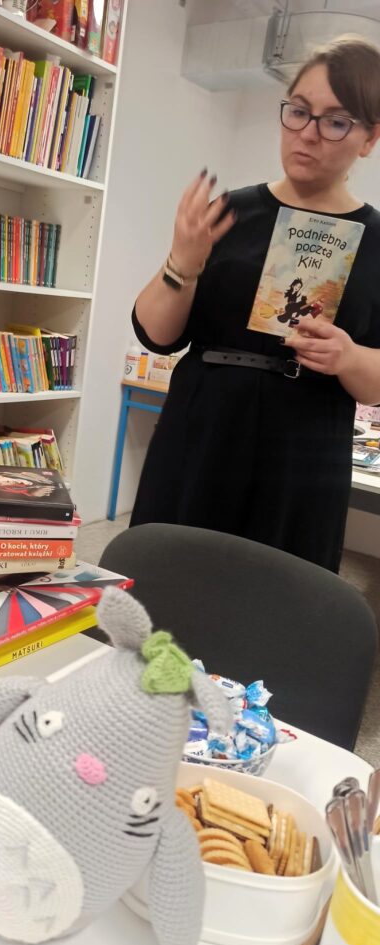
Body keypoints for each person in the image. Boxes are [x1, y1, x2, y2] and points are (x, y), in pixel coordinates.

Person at [130, 35, 380, 573]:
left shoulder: (377, 241)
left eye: (336, 122)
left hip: (305, 449)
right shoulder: (230, 211)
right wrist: (181, 263)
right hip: (203, 429)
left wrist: (349, 357)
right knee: (174, 579)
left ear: (370, 138)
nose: (308, 134)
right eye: (299, 111)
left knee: (276, 593)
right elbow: (156, 335)